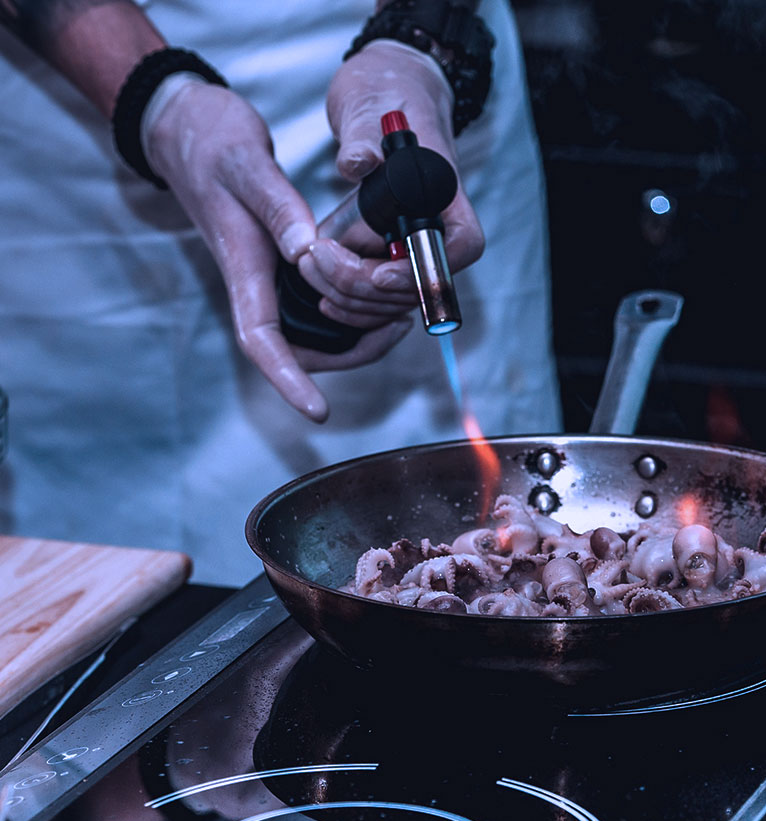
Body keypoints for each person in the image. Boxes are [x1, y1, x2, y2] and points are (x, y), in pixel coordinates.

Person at [0, 0, 562, 585]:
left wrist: (420, 42)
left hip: (412, 82)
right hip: (69, 135)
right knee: (86, 594)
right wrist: (155, 101)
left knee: (468, 564)